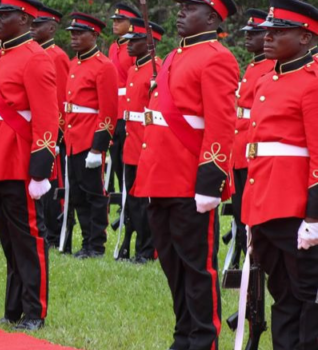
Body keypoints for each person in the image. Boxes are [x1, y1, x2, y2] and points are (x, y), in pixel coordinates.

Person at [132, 0, 239, 348]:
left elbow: (222, 126)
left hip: (190, 180)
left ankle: (203, 339)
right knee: (173, 266)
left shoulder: (217, 57)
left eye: (190, 7)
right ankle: (184, 335)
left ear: (212, 17)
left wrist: (210, 181)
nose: (180, 13)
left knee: (196, 269)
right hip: (159, 176)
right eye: (181, 7)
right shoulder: (175, 55)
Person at [0, 0, 58, 331]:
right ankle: (13, 310)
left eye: (4, 15)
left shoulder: (36, 58)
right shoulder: (1, 54)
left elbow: (46, 117)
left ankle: (34, 311)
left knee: (28, 241)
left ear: (24, 19)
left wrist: (39, 170)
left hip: (18, 161)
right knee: (9, 241)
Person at [242, 0, 318, 348]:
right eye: (267, 31)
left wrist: (314, 218)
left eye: (278, 31)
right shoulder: (267, 79)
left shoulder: (312, 83)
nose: (267, 36)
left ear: (305, 38)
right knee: (282, 292)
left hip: (296, 208)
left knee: (307, 294)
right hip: (265, 204)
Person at [64, 12, 119, 259]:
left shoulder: (103, 66)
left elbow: (108, 111)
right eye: (72, 33)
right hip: (73, 138)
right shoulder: (74, 63)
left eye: (79, 33)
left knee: (95, 194)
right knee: (77, 194)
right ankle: (86, 241)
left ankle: (96, 245)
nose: (74, 37)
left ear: (94, 35)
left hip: (89, 139)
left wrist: (98, 147)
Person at [116, 17, 164, 264]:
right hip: (131, 140)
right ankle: (133, 246)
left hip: (146, 141)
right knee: (133, 200)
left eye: (134, 40)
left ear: (149, 42)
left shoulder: (158, 68)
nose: (128, 45)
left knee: (146, 201)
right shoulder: (134, 69)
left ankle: (147, 249)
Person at [229, 8, 273, 268]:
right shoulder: (253, 64)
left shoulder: (270, 66)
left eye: (253, 33)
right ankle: (242, 256)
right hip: (240, 144)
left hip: (253, 145)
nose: (247, 38)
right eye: (245, 33)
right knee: (238, 209)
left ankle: (252, 260)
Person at [29, 4, 68, 251]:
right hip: (36, 132)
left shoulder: (57, 56)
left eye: (38, 25)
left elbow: (60, 101)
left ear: (51, 28)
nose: (33, 28)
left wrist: (55, 136)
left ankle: (53, 233)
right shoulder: (34, 53)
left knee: (52, 187)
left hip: (51, 134)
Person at [107, 3, 141, 198]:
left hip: (128, 112)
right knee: (117, 163)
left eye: (120, 21)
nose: (115, 24)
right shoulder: (114, 47)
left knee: (127, 161)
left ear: (131, 25)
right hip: (114, 112)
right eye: (114, 21)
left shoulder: (134, 48)